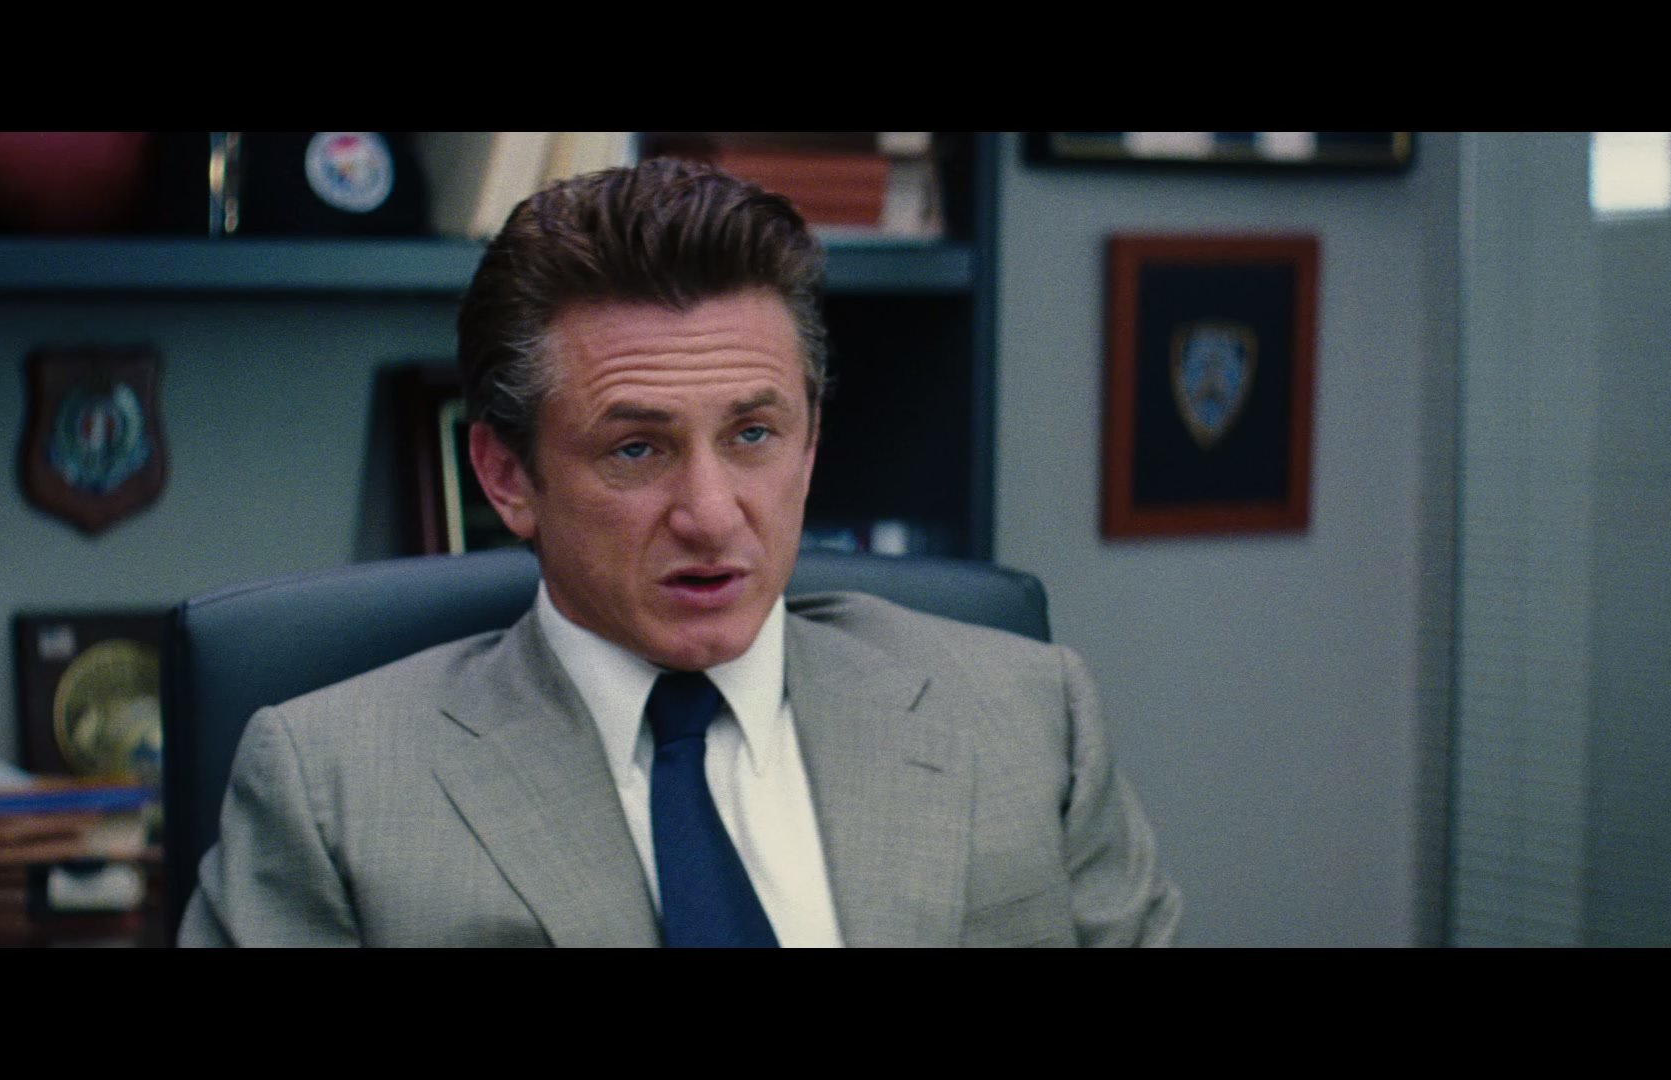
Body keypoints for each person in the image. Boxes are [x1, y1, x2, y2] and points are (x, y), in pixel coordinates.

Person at [179, 158, 1179, 947]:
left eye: (753, 435)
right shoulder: (332, 792)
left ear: (810, 445)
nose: (710, 514)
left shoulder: (1028, 717)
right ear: (507, 476)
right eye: (637, 450)